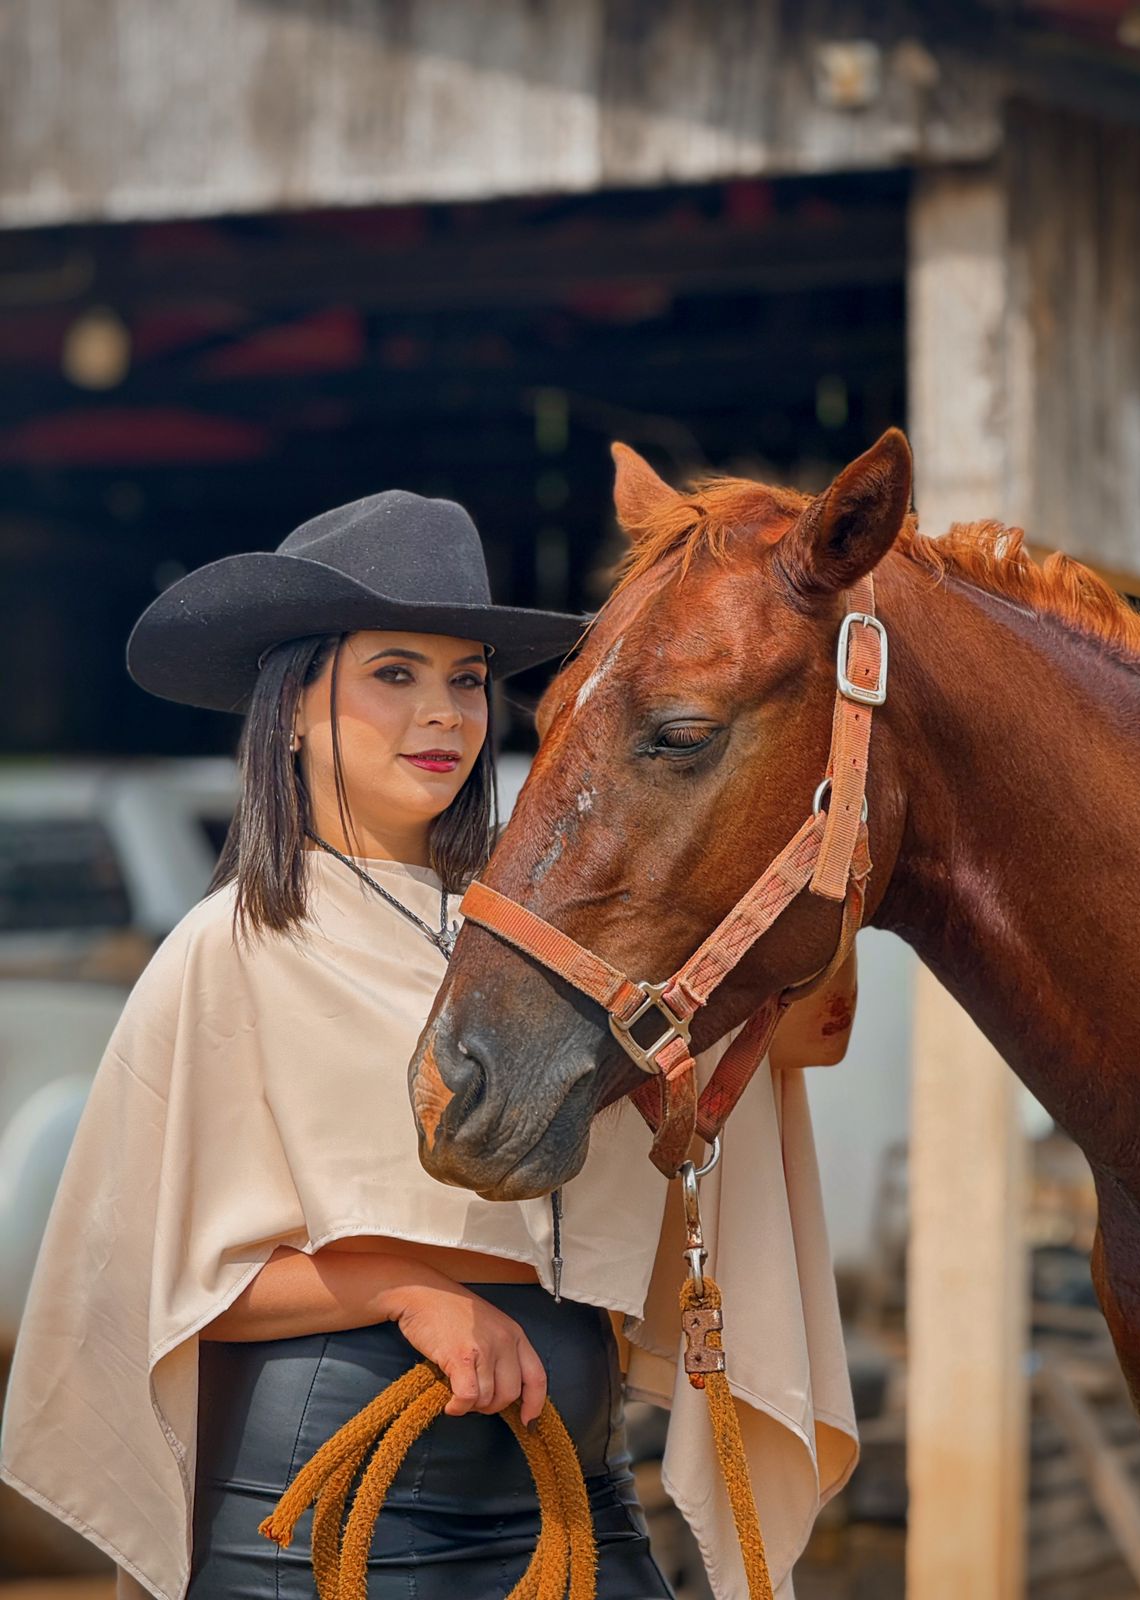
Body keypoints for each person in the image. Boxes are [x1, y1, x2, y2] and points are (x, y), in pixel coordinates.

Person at [0, 488, 859, 1600]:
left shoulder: (559, 952)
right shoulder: (233, 948)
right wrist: (407, 1289)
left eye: (464, 679)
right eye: (395, 674)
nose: (443, 714)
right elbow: (150, 1283)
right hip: (328, 1503)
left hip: (577, 1485)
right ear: (293, 707)